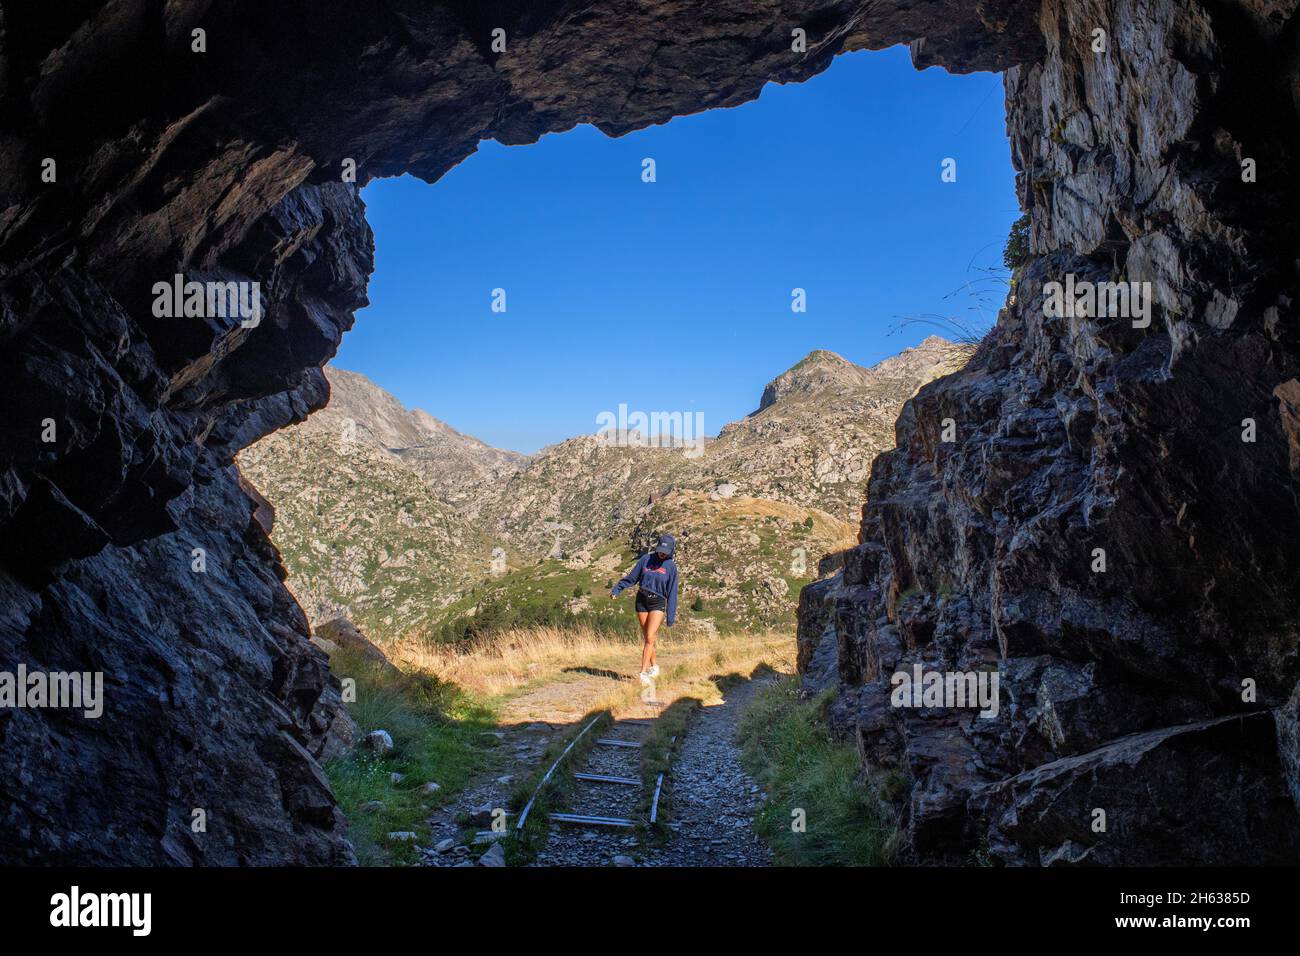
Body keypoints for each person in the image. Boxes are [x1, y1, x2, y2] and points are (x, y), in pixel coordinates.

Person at [610, 534, 679, 685]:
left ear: (671, 551)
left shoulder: (671, 567)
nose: (662, 554)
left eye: (665, 552)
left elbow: (673, 592)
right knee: (648, 638)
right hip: (641, 600)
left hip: (658, 602)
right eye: (660, 550)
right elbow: (632, 578)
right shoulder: (645, 560)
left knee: (650, 635)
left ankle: (643, 673)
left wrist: (670, 617)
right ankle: (655, 667)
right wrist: (617, 589)